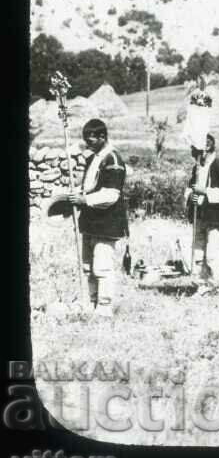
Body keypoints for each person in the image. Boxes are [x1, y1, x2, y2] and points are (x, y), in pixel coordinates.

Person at [66, 119, 128, 318]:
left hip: (106, 222)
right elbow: (89, 186)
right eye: (85, 139)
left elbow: (111, 195)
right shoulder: (95, 158)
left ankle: (104, 307)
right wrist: (78, 195)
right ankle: (89, 302)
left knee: (102, 266)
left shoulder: (113, 160)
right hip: (90, 222)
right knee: (87, 266)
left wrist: (85, 199)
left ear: (102, 137)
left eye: (91, 139)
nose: (88, 143)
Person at [185, 133, 219, 290]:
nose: (192, 151)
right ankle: (200, 283)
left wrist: (204, 191)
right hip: (199, 215)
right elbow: (191, 189)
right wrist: (190, 196)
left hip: (216, 217)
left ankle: (215, 284)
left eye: (195, 148)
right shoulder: (197, 168)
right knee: (198, 250)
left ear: (207, 147)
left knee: (213, 252)